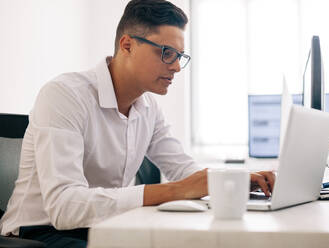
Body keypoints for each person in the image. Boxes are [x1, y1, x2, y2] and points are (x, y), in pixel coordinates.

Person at [0, 0, 275, 247]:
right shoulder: (64, 95)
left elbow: (184, 171)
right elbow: (64, 207)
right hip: (37, 234)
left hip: (103, 228)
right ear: (127, 45)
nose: (176, 67)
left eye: (180, 56)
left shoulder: (148, 108)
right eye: (167, 52)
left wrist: (236, 181)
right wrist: (175, 190)